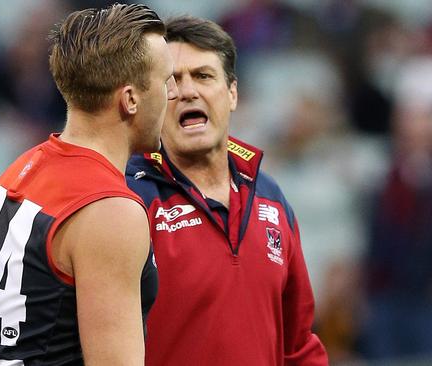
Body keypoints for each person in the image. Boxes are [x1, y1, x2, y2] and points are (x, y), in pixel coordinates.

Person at [0, 4, 178, 365]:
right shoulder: (110, 210)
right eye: (166, 79)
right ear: (131, 99)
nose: (174, 92)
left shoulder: (21, 170)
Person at [127, 16, 328, 365]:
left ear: (232, 94)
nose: (188, 90)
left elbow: (298, 346)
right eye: (171, 81)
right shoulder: (129, 198)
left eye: (203, 76)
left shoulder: (271, 198)